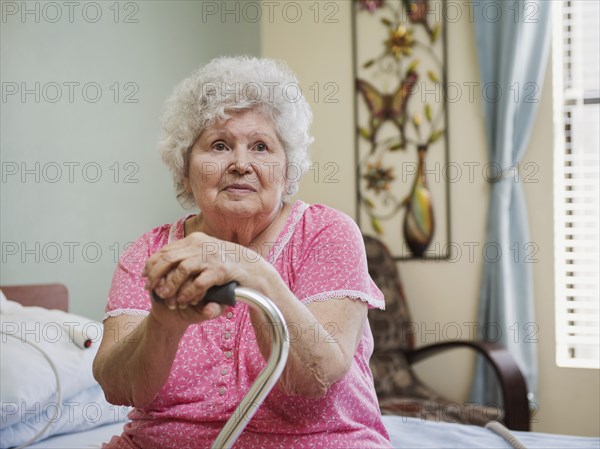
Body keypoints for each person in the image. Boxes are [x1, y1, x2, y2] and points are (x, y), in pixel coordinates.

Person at [93, 56, 392, 449]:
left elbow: (313, 377)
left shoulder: (327, 234)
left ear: (287, 170)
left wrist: (256, 271)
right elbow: (117, 387)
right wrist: (163, 323)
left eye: (261, 147)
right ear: (185, 168)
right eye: (219, 145)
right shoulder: (149, 253)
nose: (240, 164)